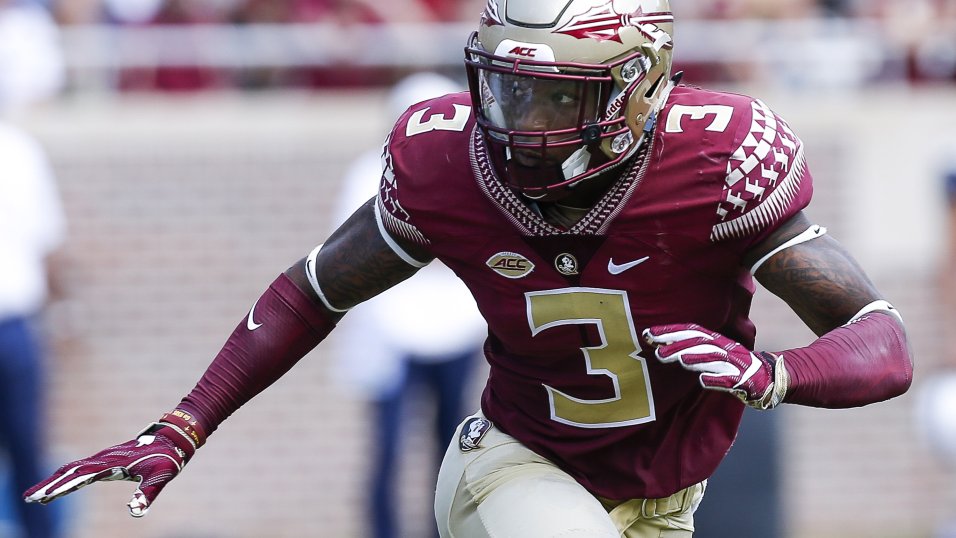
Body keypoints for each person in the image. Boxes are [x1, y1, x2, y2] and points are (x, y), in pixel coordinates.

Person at [24, 1, 914, 536]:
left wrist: (775, 375)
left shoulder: (713, 164)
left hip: (664, 495)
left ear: (640, 86)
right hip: (517, 468)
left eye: (561, 93)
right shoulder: (448, 163)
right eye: (508, 87)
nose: (524, 117)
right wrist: (185, 423)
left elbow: (882, 344)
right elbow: (313, 290)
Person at [332, 72, 486, 538]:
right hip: (392, 330)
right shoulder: (367, 174)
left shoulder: (477, 175)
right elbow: (350, 258)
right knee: (389, 449)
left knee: (451, 450)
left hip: (456, 328)